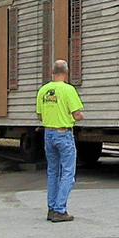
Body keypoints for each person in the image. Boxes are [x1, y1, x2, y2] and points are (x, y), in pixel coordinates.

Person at [36, 59, 84, 223]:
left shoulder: (43, 90)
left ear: (52, 71)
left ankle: (51, 207)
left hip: (48, 133)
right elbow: (77, 114)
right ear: (67, 71)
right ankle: (60, 209)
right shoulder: (68, 90)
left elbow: (39, 115)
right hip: (64, 133)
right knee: (68, 173)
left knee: (53, 171)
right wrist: (79, 117)